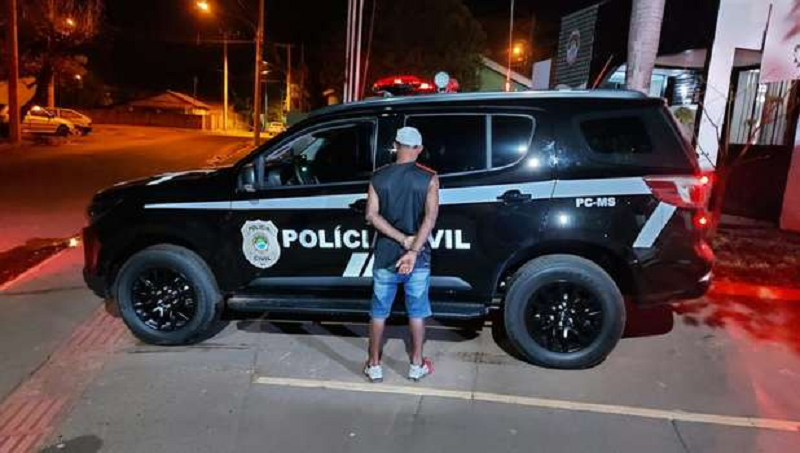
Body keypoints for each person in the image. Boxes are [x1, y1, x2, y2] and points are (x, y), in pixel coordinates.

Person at [364, 126, 440, 383]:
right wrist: (413, 249)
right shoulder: (429, 178)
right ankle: (416, 365)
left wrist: (401, 239)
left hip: (386, 254)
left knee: (379, 313)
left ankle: (374, 365)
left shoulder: (378, 177)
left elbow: (371, 215)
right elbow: (430, 219)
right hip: (418, 258)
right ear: (418, 149)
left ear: (396, 145)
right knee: (417, 313)